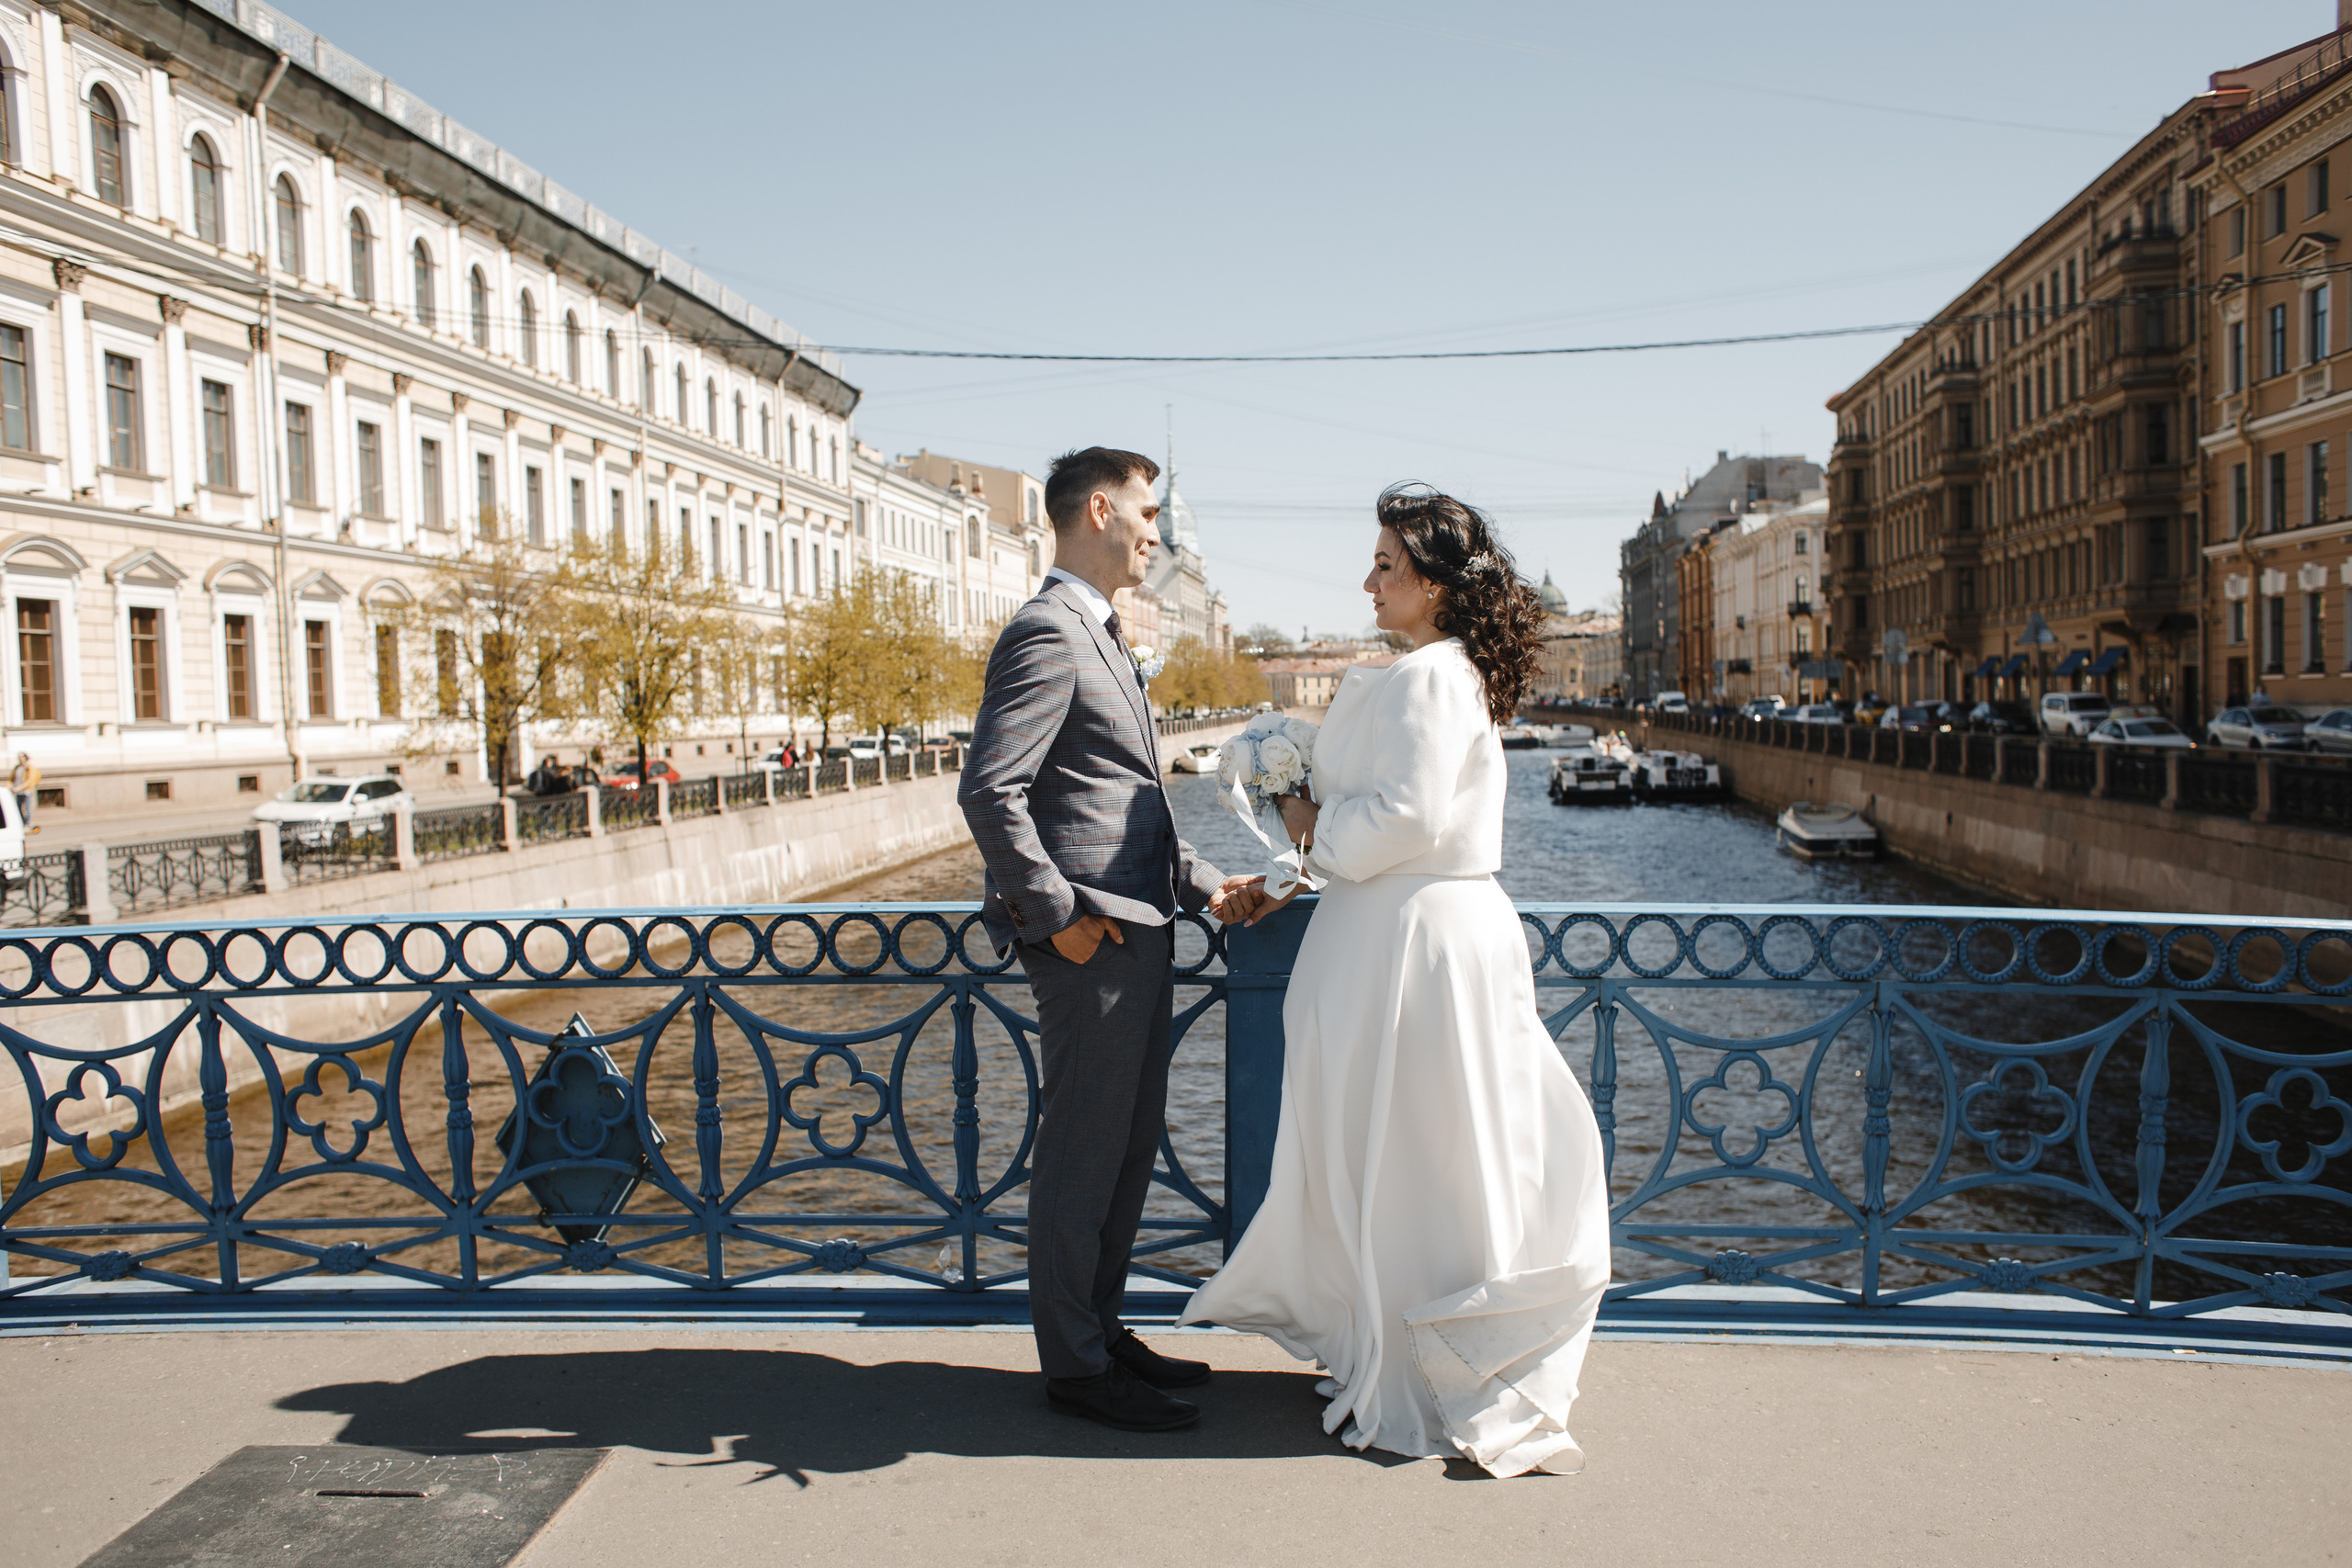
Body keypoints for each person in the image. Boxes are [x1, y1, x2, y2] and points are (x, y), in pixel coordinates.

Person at [1181, 485, 1611, 1478]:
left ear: (1433, 583)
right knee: (1432, 1152)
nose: (1367, 581)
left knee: (1407, 1155)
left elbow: (1401, 822)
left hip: (1410, 943)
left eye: (1385, 566)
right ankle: (1423, 1350)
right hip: (1410, 931)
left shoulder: (1427, 678)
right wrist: (1292, 869)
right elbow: (1391, 823)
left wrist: (1300, 821)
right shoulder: (1440, 673)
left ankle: (1423, 1371)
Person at [958, 446, 1264, 1435]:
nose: (1155, 534)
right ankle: (1076, 1367)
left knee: (1127, 1151)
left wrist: (1210, 886)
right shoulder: (1049, 631)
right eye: (1147, 513)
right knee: (1084, 1155)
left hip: (1141, 931)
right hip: (1093, 944)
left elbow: (1121, 811)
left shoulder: (1100, 631)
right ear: (1099, 510)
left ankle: (1100, 1328)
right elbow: (990, 792)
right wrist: (1058, 919)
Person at [10, 751, 39, 825]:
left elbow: (30, 780)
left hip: (27, 791)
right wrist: (9, 786)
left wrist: (19, 788)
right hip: (18, 791)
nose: (19, 758)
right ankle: (22, 823)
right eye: (19, 757)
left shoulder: (29, 768)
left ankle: (28, 823)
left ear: (25, 758)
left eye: (21, 757)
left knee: (27, 808)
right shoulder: (17, 767)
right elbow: (11, 779)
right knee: (18, 808)